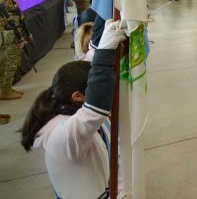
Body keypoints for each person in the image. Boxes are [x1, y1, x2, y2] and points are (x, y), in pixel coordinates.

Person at [20, 20, 126, 198]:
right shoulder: (61, 138)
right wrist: (105, 52)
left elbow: (93, 65)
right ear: (78, 96)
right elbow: (96, 105)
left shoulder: (68, 108)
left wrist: (103, 24)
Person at [0, 0, 32, 100]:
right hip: (8, 42)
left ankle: (6, 88)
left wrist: (24, 36)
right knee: (9, 65)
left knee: (13, 64)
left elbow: (19, 20)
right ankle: (5, 91)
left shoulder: (10, 2)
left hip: (14, 39)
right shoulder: (2, 4)